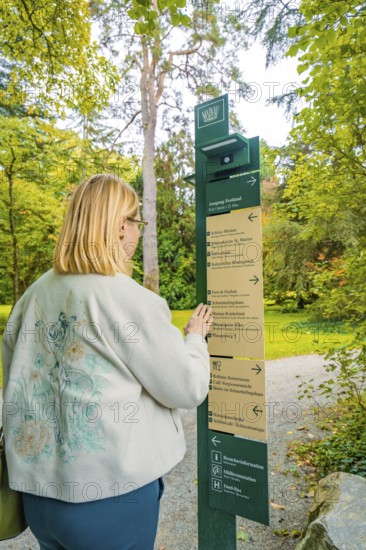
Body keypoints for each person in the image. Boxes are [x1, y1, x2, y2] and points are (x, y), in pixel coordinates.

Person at [1, 173, 213, 550]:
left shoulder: (32, 296)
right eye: (137, 222)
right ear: (120, 226)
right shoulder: (127, 298)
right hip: (109, 501)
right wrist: (195, 339)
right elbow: (186, 387)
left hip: (39, 500)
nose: (137, 231)